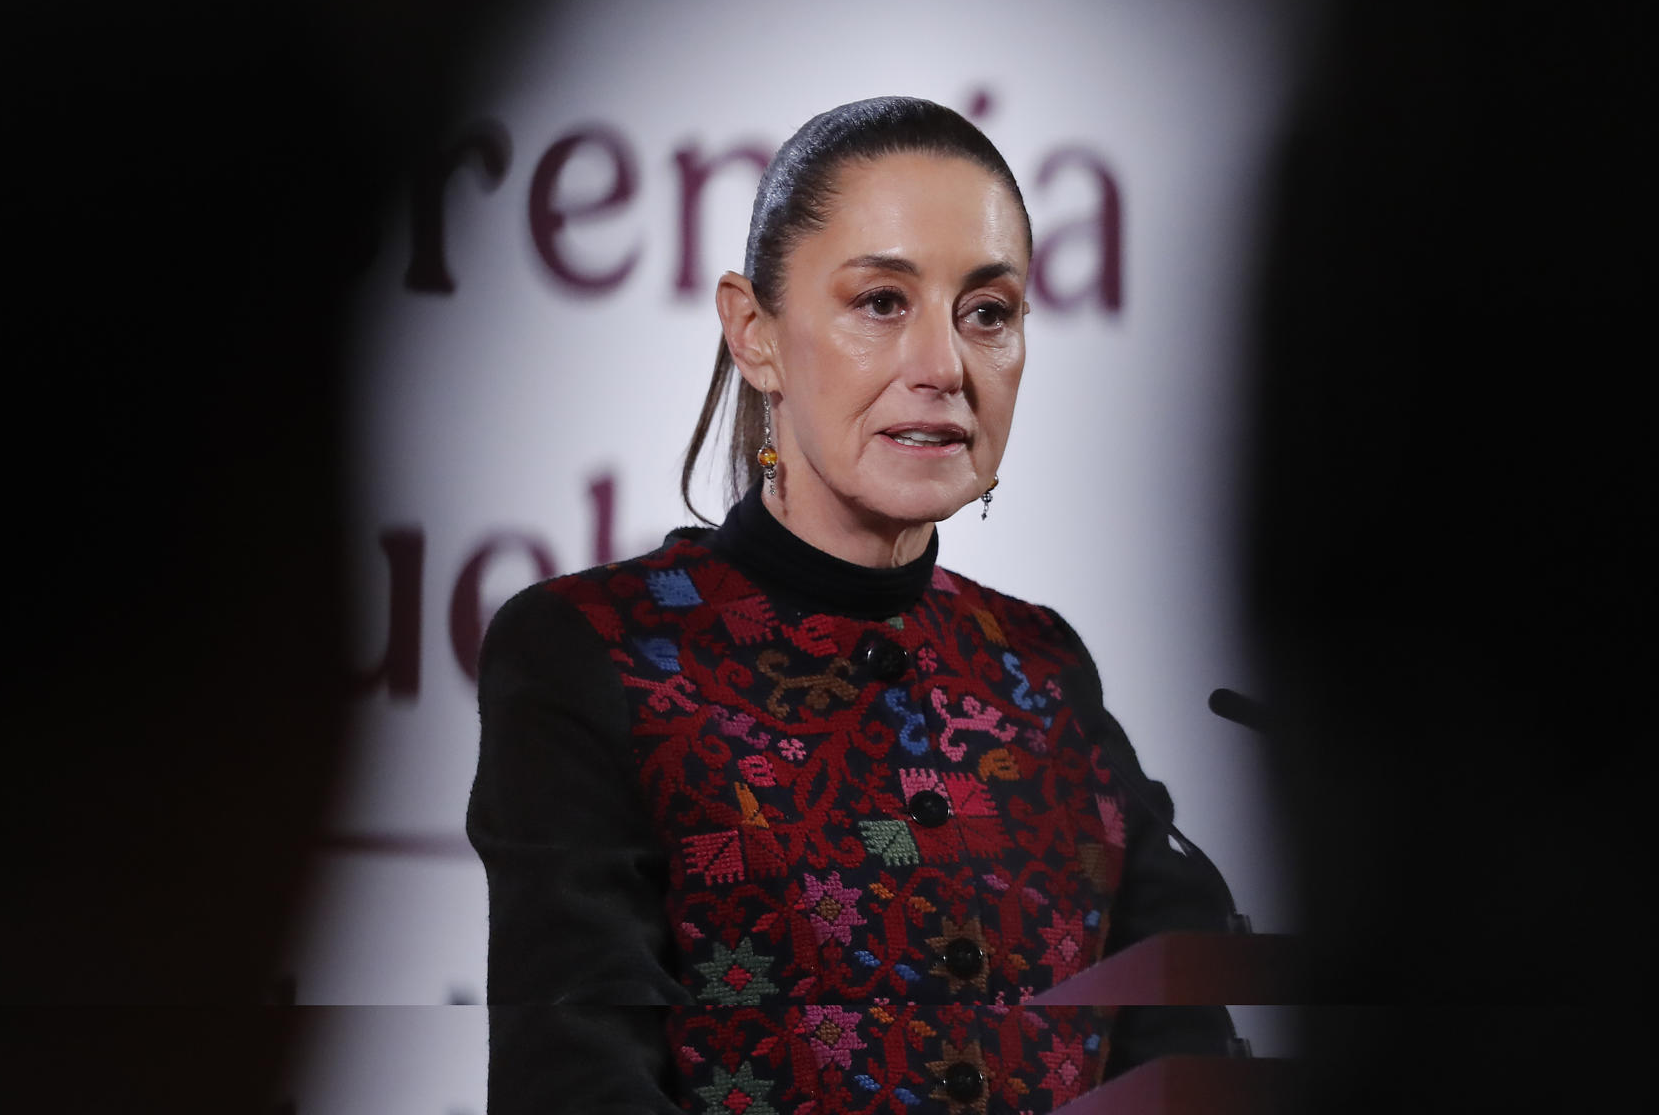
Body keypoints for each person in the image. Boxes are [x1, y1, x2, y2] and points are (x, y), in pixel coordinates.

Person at [469, 97, 1236, 1114]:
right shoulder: (600, 653)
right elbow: (573, 1078)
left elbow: (1184, 1046)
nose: (942, 367)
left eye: (988, 312)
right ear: (756, 332)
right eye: (881, 301)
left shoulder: (1044, 672)